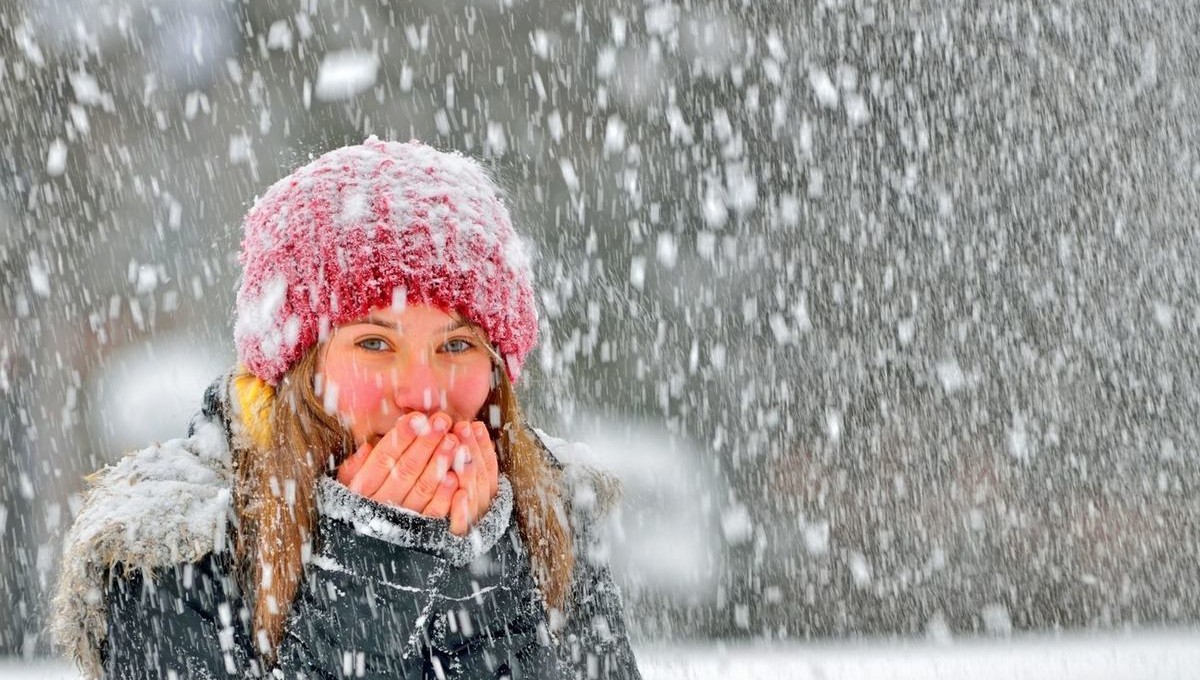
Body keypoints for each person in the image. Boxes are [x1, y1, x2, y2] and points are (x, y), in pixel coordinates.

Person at [50, 137, 643, 679]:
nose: (422, 391)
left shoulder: (547, 516)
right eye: (374, 343)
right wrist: (372, 576)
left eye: (457, 344)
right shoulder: (174, 552)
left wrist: (484, 574)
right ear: (295, 370)